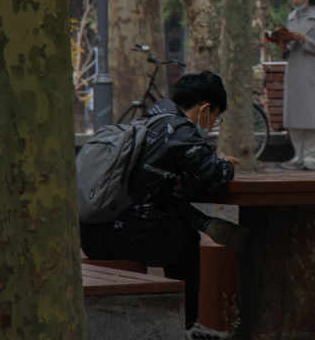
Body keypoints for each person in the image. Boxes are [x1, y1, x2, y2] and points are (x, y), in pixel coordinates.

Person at [79, 72, 244, 340]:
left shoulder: (149, 120)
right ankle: (188, 326)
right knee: (186, 242)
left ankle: (204, 222)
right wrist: (225, 162)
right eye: (215, 117)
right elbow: (213, 172)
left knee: (165, 201)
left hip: (92, 233)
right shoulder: (179, 129)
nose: (213, 124)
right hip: (119, 236)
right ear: (204, 109)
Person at [281, 0, 315, 171]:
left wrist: (304, 38)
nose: (295, 0)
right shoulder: (291, 16)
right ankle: (299, 156)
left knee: (312, 115)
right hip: (294, 69)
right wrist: (282, 43)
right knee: (294, 115)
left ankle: (311, 157)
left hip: (311, 70)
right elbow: (288, 49)